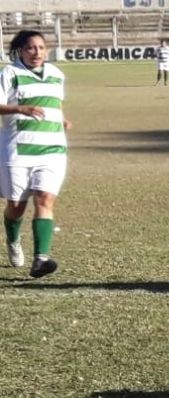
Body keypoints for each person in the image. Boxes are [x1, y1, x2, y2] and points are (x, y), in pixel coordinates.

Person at [0, 30, 71, 278]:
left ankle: (40, 260)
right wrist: (20, 108)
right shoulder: (9, 73)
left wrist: (62, 119)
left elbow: (56, 104)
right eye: (31, 48)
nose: (37, 53)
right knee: (16, 207)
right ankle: (13, 238)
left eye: (41, 47)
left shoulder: (56, 74)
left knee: (45, 200)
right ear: (20, 50)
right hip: (17, 150)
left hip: (52, 149)